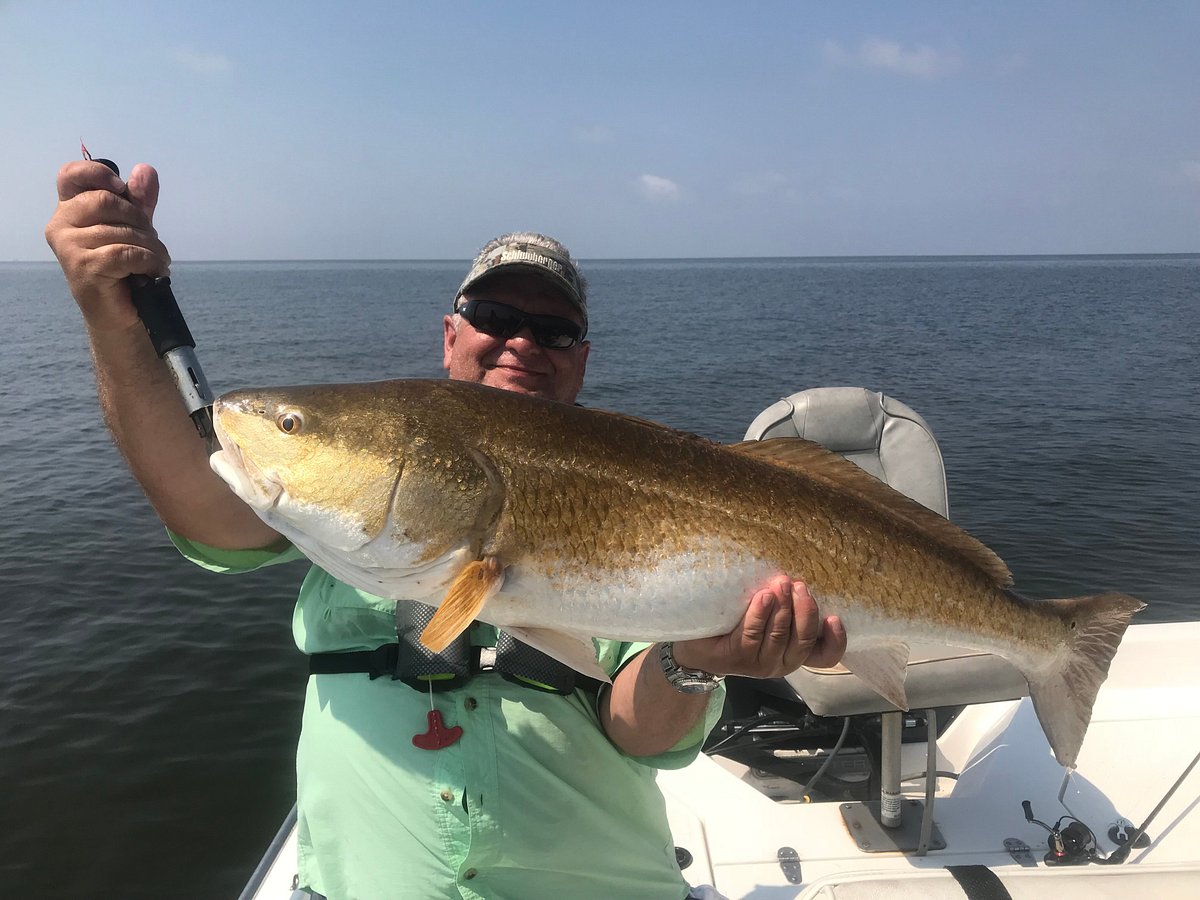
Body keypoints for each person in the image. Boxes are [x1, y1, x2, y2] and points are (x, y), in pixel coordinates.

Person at [45, 160, 848, 900]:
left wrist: (699, 659)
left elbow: (641, 737)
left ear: (581, 357)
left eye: (555, 331)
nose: (523, 343)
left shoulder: (645, 489)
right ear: (450, 335)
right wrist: (112, 316)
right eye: (494, 314)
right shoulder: (356, 501)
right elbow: (204, 504)